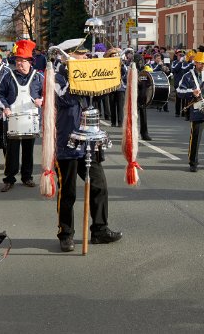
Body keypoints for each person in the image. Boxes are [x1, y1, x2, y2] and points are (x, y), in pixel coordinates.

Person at [53, 45, 122, 252]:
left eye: (85, 54)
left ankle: (100, 229)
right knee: (68, 192)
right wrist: (77, 74)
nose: (85, 57)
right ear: (67, 56)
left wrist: (115, 62)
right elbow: (63, 98)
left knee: (99, 186)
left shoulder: (87, 74)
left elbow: (111, 85)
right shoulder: (56, 77)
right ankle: (65, 234)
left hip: (89, 142)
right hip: (67, 142)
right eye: (80, 54)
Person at [0, 40, 43, 192]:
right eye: (17, 61)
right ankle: (9, 178)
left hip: (31, 119)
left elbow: (47, 95)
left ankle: (27, 177)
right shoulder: (8, 76)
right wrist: (5, 108)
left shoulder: (38, 77)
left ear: (30, 62)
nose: (19, 64)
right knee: (11, 151)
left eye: (22, 61)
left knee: (28, 150)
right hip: (12, 119)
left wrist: (41, 100)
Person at [106, 48, 125, 127]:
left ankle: (120, 122)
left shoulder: (121, 64)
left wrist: (121, 64)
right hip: (111, 87)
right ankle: (113, 122)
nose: (114, 56)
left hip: (120, 87)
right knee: (112, 105)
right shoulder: (108, 65)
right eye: (112, 55)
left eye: (115, 55)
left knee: (120, 106)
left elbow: (124, 73)